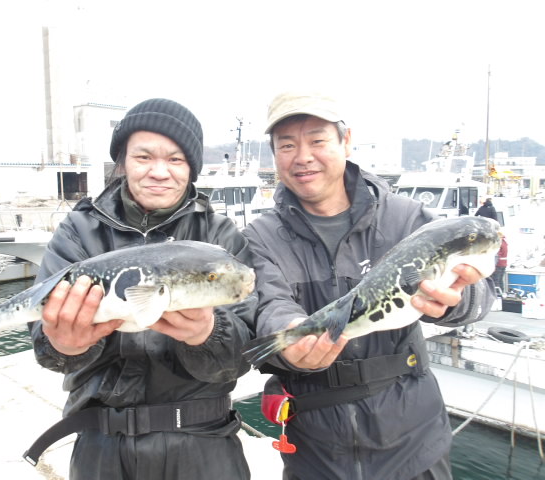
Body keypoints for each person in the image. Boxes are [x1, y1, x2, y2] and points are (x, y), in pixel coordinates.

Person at [242, 91, 496, 480]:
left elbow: (481, 297)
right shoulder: (261, 237)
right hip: (316, 453)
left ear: (346, 141)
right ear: (274, 155)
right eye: (287, 145)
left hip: (416, 444)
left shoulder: (407, 219)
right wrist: (288, 338)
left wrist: (456, 298)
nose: (303, 156)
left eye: (317, 140)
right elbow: (268, 306)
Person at [28, 98, 256, 479]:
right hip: (101, 448)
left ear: (192, 167)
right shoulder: (78, 232)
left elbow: (244, 350)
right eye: (143, 157)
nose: (159, 172)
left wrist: (209, 333)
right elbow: (45, 343)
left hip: (204, 445)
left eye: (175, 159)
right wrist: (64, 344)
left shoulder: (220, 240)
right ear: (123, 162)